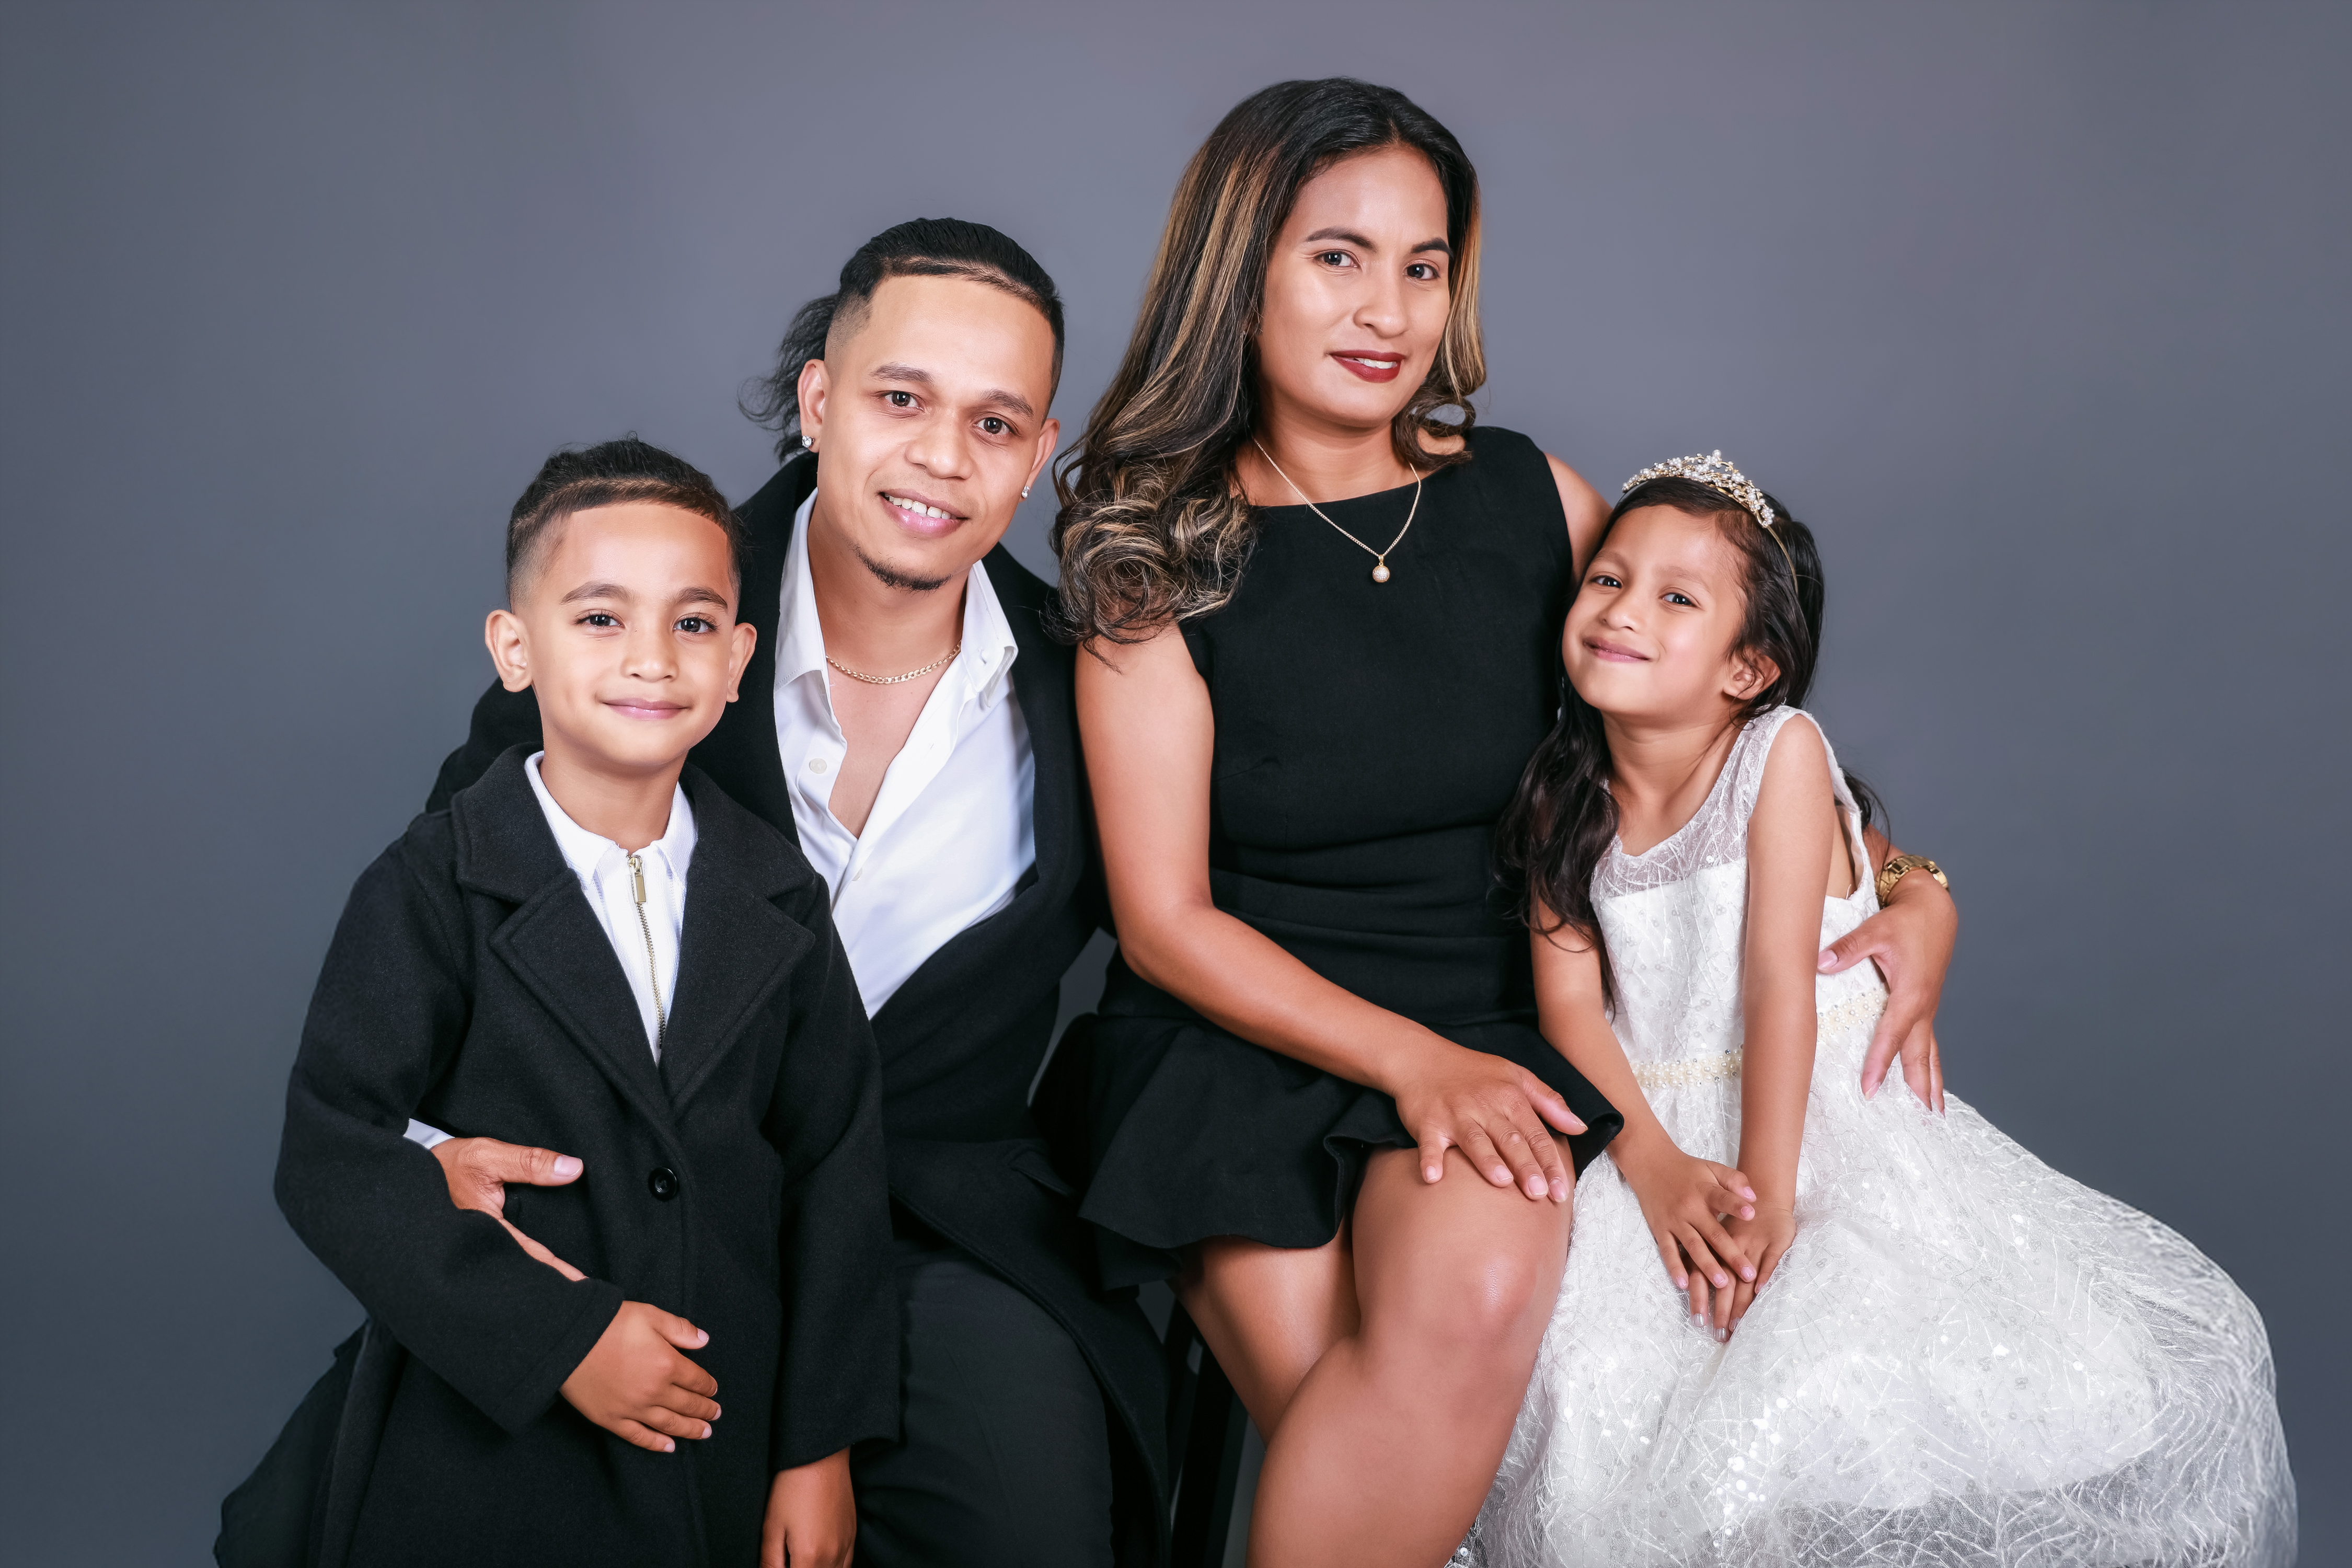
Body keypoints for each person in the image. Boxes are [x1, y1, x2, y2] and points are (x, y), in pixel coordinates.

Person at [1052, 80, 1963, 1568]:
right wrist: (1413, 1067)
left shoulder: (1533, 500)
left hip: (1503, 1020)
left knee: (1471, 1317)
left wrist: (1918, 887)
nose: (1388, 311)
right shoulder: (1157, 560)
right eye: (1338, 258)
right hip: (1232, 1043)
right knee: (1383, 1454)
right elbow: (1162, 925)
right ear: (1241, 271)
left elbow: (1712, 751)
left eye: (1423, 267)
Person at [221, 219, 1168, 1568]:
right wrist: (435, 1161)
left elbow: (1183, 939)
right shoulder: (642, 606)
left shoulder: (1091, 687)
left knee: (1030, 1519)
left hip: (940, 1229)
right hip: (617, 1206)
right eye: (902, 398)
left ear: (1037, 452)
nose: (943, 458)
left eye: (995, 422)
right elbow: (464, 935)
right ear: (820, 401)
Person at [1460, 454, 2296, 1566]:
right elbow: (1572, 1010)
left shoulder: (1778, 754)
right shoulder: (1562, 796)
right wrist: (1654, 1170)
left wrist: (1768, 1200)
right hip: (1649, 1130)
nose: (1622, 612)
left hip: (1806, 1119)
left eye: (1676, 598)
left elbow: (1776, 986)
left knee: (1820, 1381)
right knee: (1606, 1401)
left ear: (1750, 668)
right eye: (1607, 580)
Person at [271, 437, 898, 1568]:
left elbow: (835, 1168)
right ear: (514, 649)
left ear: (738, 660)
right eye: (602, 618)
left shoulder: (781, 897)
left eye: (693, 623)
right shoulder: (433, 883)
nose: (651, 659)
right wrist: (559, 1339)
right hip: (485, 1457)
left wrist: (821, 1449)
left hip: (717, 1437)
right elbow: (332, 1151)